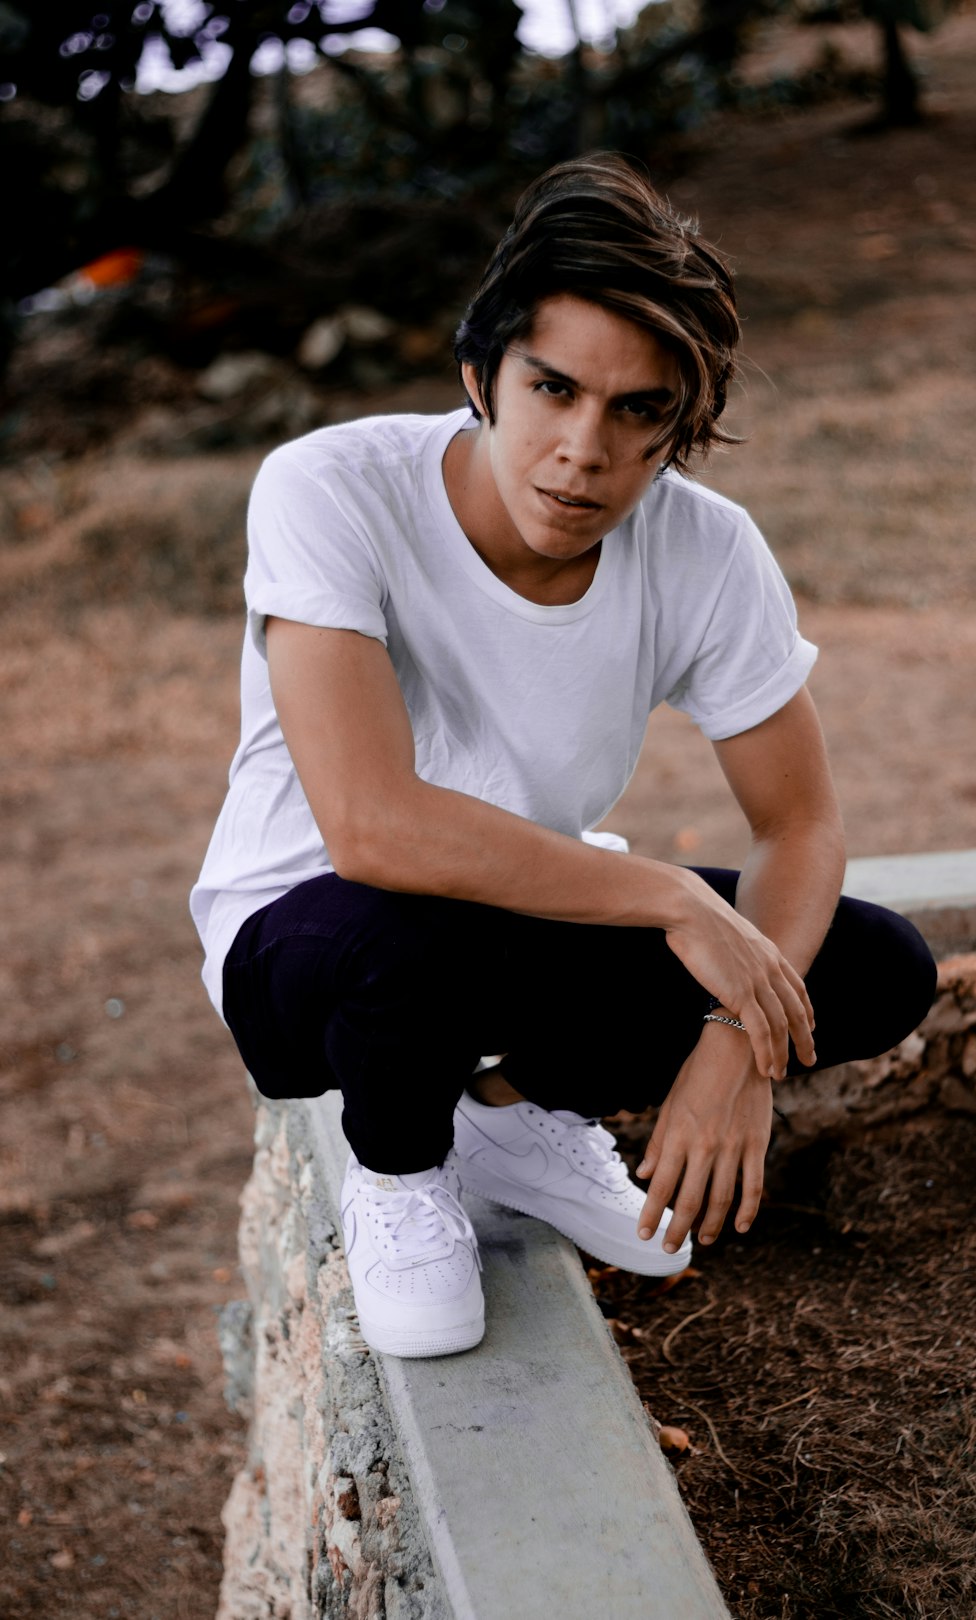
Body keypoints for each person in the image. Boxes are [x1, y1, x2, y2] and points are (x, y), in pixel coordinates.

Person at [191, 155, 937, 1360]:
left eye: (639, 410)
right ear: (481, 376)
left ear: (678, 430)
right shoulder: (330, 489)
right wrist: (675, 901)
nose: (585, 449)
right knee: (405, 922)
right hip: (315, 943)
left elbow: (800, 827)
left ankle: (504, 1112)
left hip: (521, 917)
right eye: (554, 388)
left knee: (873, 966)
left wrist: (738, 1041)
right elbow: (375, 829)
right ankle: (398, 1170)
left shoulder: (706, 549)